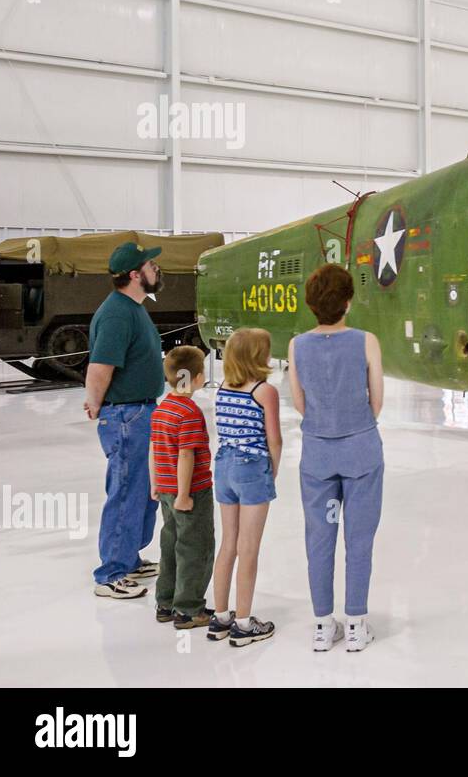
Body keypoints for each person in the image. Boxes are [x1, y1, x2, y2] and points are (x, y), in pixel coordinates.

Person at [288, 264, 384, 652]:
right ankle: (357, 623)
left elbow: (298, 402)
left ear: (311, 304)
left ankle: (323, 624)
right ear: (348, 302)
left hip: (317, 455)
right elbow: (376, 401)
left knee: (319, 537)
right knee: (359, 537)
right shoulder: (366, 341)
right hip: (361, 450)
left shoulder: (297, 345)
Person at [85, 241, 167, 599]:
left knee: (144, 491)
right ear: (135, 275)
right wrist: (96, 403)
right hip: (126, 416)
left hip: (140, 412)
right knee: (126, 492)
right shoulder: (118, 313)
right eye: (151, 265)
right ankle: (111, 573)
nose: (157, 270)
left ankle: (129, 558)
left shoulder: (134, 307)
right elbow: (101, 366)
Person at [208, 327, 280, 648]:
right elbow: (274, 439)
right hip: (252, 467)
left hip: (223, 465)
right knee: (249, 548)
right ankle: (243, 623)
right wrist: (271, 473)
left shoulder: (223, 387)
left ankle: (220, 616)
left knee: (229, 544)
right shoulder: (264, 391)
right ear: (257, 356)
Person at [149, 346, 215, 629]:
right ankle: (188, 609)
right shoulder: (189, 412)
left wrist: (155, 484)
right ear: (197, 377)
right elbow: (186, 454)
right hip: (190, 493)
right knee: (194, 547)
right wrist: (185, 494)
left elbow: (154, 448)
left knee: (170, 543)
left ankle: (165, 602)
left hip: (164, 490)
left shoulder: (162, 408)